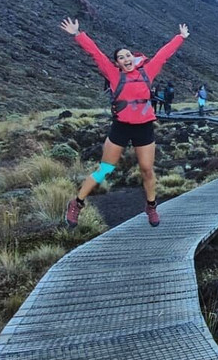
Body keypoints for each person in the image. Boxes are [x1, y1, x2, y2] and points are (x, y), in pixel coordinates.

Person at [60, 17, 189, 228]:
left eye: (128, 55)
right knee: (105, 169)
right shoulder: (113, 75)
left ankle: (151, 207)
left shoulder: (147, 73)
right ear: (117, 63)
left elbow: (163, 55)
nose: (126, 59)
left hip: (144, 128)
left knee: (147, 169)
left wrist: (180, 37)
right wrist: (77, 34)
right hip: (121, 127)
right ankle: (76, 203)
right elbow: (96, 54)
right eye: (121, 57)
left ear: (134, 58)